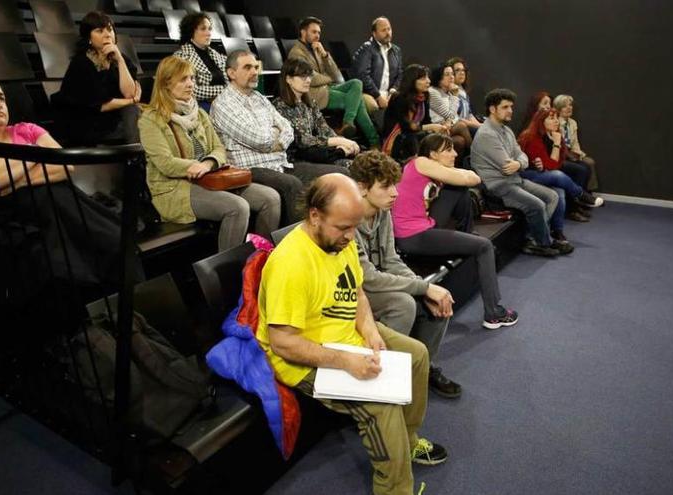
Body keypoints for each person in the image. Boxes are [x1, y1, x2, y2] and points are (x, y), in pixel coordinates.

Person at [256, 173, 447, 495]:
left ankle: (408, 440)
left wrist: (370, 330)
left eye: (354, 227)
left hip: (343, 331)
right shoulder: (290, 264)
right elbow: (283, 343)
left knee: (416, 354)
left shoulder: (339, 239)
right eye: (343, 227)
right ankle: (395, 490)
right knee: (381, 406)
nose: (350, 236)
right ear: (314, 216)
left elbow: (356, 292)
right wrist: (345, 360)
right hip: (304, 354)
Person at [0, 75, 138, 326]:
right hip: (0, 230)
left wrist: (7, 173)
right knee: (54, 237)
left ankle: (105, 321)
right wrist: (40, 157)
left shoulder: (26, 130)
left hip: (51, 214)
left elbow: (65, 166)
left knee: (103, 234)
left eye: (1, 97)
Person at [138, 56, 280, 252]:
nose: (190, 84)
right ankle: (227, 274)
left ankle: (260, 263)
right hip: (175, 188)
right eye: (183, 79)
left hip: (210, 177)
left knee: (270, 198)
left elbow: (218, 148)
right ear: (166, 84)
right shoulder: (151, 119)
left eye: (192, 78)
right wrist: (192, 167)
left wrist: (207, 164)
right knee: (237, 207)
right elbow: (164, 163)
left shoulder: (200, 113)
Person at [389, 135, 519, 328]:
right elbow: (469, 178)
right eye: (448, 150)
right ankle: (494, 313)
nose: (455, 153)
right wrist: (464, 176)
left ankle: (466, 234)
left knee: (457, 190)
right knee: (484, 246)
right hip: (413, 236)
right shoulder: (421, 162)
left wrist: (464, 176)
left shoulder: (434, 169)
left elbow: (472, 178)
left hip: (423, 226)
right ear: (433, 154)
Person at [211, 50, 348, 226]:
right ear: (231, 73)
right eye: (247, 67)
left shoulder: (259, 98)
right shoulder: (224, 104)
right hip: (251, 168)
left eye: (255, 67)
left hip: (280, 164)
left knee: (339, 175)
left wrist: (276, 138)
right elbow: (259, 139)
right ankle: (295, 246)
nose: (254, 72)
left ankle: (331, 233)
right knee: (291, 184)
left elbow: (287, 129)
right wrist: (275, 136)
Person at [471, 88, 573, 257]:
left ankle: (535, 238)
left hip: (514, 179)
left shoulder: (507, 130)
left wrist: (518, 163)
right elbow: (505, 164)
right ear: (492, 109)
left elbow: (520, 156)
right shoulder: (486, 134)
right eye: (505, 107)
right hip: (498, 187)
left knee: (552, 196)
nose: (510, 110)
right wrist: (520, 162)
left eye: (511, 106)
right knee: (538, 204)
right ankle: (542, 242)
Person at [286, 16, 380, 147]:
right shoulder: (296, 53)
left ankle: (348, 123)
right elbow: (311, 78)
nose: (317, 35)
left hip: (327, 88)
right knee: (356, 101)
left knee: (356, 83)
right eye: (314, 32)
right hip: (314, 94)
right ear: (303, 32)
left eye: (319, 32)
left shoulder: (316, 49)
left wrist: (324, 54)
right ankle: (374, 141)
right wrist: (329, 79)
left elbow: (336, 74)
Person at [53, 11, 141, 146]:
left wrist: (120, 60)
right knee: (137, 116)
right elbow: (100, 106)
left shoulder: (120, 58)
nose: (107, 34)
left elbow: (128, 92)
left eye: (110, 29)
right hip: (87, 123)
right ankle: (136, 160)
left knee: (147, 119)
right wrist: (132, 101)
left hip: (115, 119)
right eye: (100, 31)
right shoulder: (81, 63)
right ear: (89, 37)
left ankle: (137, 159)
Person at [517, 108, 603, 234]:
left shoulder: (555, 135)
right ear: (541, 121)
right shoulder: (531, 137)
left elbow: (556, 164)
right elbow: (551, 167)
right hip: (527, 174)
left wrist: (557, 142)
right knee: (558, 176)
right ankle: (580, 195)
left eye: (557, 118)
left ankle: (557, 232)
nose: (556, 121)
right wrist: (556, 144)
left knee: (560, 192)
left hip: (544, 174)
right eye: (552, 118)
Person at [274, 58, 360, 167]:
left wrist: (343, 142)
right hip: (295, 160)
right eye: (302, 76)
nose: (308, 80)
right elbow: (302, 140)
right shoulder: (280, 106)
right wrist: (337, 141)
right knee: (350, 167)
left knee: (359, 163)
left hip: (316, 154)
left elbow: (324, 129)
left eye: (309, 76)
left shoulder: (310, 103)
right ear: (288, 79)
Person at [382, 64, 448, 162]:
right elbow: (406, 127)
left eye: (428, 77)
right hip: (398, 138)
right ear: (412, 81)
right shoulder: (399, 98)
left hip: (415, 134)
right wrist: (431, 127)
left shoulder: (424, 97)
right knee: (413, 139)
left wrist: (438, 127)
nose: (428, 81)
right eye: (422, 78)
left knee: (438, 139)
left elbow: (426, 120)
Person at [173, 12, 227, 108]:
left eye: (209, 29)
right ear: (191, 32)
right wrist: (224, 90)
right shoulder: (181, 57)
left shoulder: (216, 54)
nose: (209, 33)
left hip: (224, 101)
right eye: (203, 29)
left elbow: (231, 81)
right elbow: (192, 90)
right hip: (200, 105)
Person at [352, 16, 402, 113]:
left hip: (389, 94)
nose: (388, 33)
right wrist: (378, 96)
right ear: (374, 33)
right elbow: (362, 75)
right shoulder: (367, 48)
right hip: (371, 94)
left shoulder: (396, 50)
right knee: (372, 105)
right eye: (383, 30)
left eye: (389, 29)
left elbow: (400, 74)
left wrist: (393, 90)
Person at [427, 62, 473, 161]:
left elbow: (452, 117)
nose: (452, 77)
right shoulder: (432, 92)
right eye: (447, 74)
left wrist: (449, 122)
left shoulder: (449, 92)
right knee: (461, 125)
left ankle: (457, 167)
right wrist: (455, 95)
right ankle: (476, 157)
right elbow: (449, 114)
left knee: (460, 141)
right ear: (439, 77)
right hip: (436, 129)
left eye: (452, 74)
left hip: (448, 127)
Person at [554, 94, 599, 191]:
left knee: (590, 162)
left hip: (571, 152)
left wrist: (579, 155)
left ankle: (587, 191)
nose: (569, 108)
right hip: (561, 153)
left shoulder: (573, 123)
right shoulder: (555, 122)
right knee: (582, 168)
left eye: (570, 105)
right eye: (565, 106)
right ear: (558, 108)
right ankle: (578, 194)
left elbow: (575, 143)